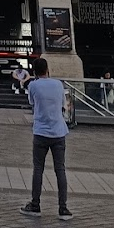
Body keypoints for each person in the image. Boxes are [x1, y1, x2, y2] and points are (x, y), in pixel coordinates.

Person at [20, 57, 73, 219]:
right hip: (58, 131)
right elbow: (63, 104)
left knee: (38, 169)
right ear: (47, 68)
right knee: (60, 169)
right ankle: (63, 208)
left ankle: (35, 204)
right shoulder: (58, 84)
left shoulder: (34, 85)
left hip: (41, 131)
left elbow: (32, 102)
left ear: (34, 71)